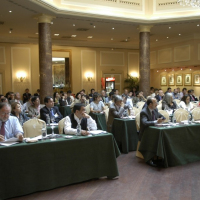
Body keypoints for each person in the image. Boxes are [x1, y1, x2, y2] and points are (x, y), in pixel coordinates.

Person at [139, 98, 165, 167]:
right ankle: (149, 158)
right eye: (155, 103)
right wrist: (156, 122)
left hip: (155, 131)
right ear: (150, 104)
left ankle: (161, 156)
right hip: (146, 134)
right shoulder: (144, 112)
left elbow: (162, 116)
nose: (157, 104)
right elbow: (144, 123)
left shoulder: (155, 109)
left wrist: (162, 118)